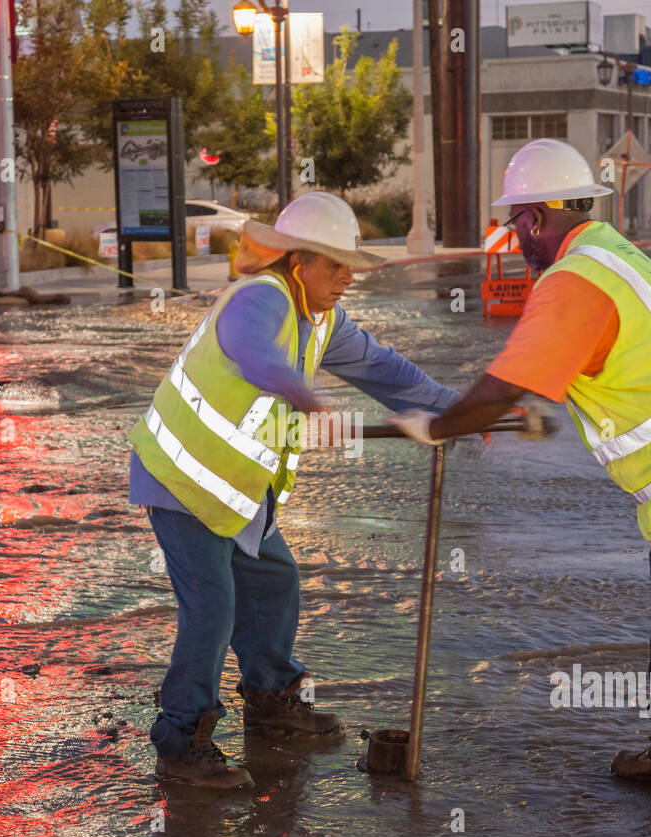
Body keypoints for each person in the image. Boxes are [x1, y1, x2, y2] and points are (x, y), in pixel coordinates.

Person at [390, 139, 651, 837]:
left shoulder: (572, 281)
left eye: (514, 225)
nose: (513, 240)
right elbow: (581, 364)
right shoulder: (606, 255)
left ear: (531, 219)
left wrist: (436, 427)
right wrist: (519, 409)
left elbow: (499, 387)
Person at [129, 191, 461, 789]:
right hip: (179, 480)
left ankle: (270, 700)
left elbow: (385, 370)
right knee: (212, 606)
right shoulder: (259, 297)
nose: (348, 277)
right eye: (335, 264)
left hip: (236, 491)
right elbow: (255, 355)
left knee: (273, 581)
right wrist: (305, 396)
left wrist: (456, 410)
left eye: (349, 264)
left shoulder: (322, 316)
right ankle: (180, 740)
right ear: (298, 261)